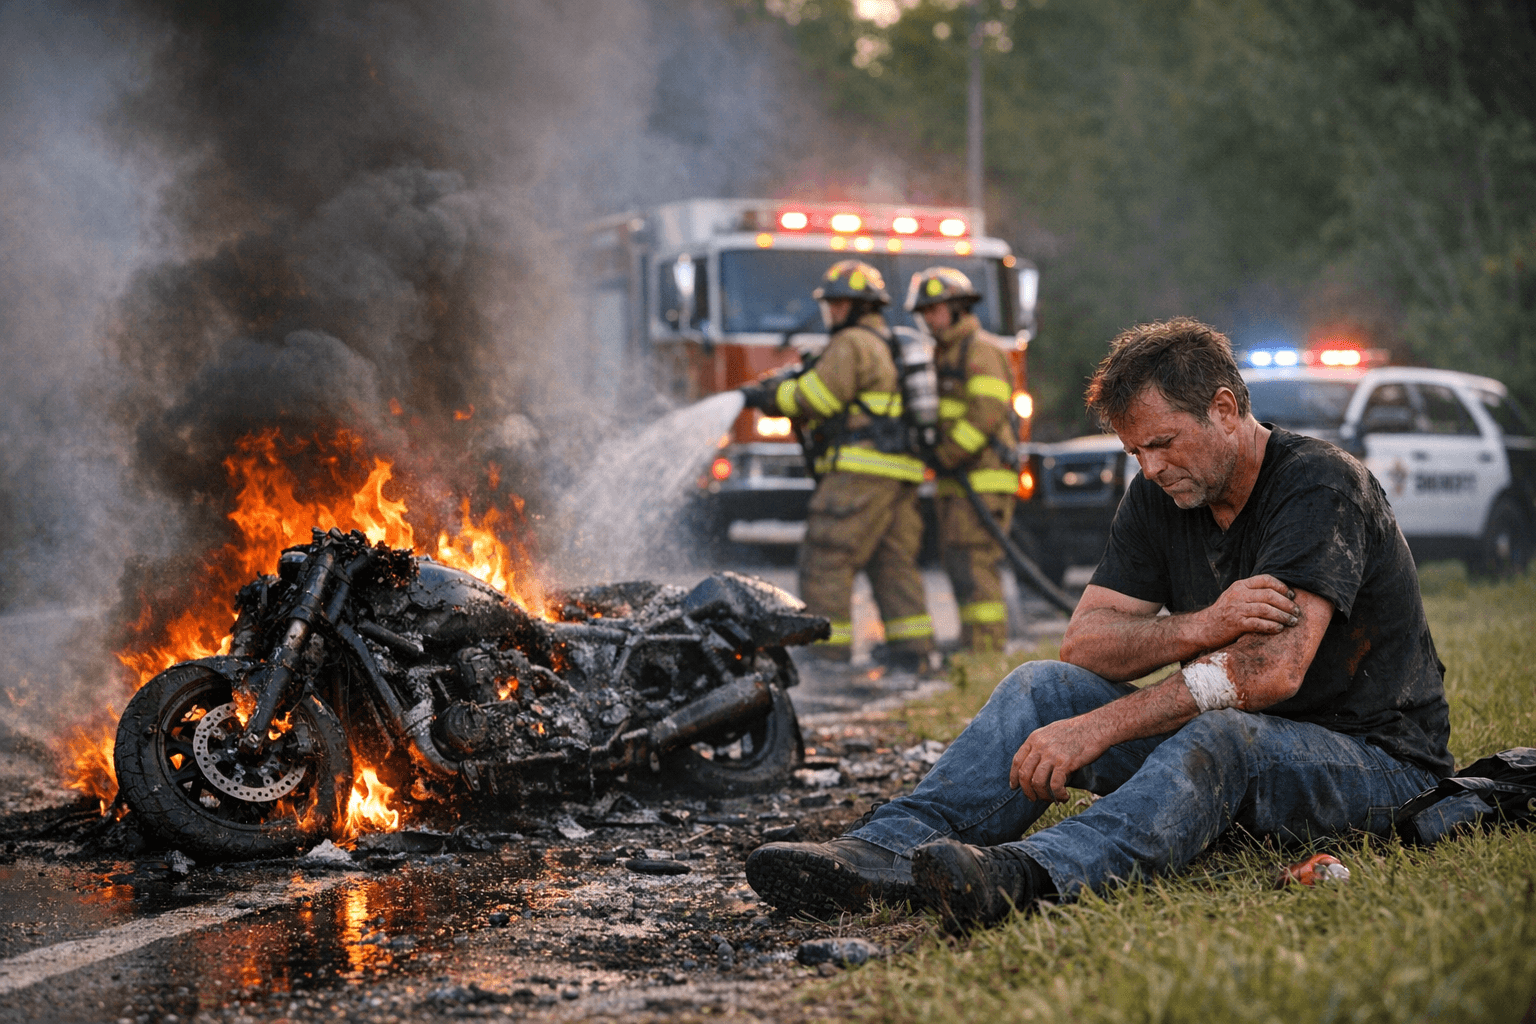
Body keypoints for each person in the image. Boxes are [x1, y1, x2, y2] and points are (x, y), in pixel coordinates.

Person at [745, 317, 1452, 928]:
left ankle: (1026, 875)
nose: (1148, 468)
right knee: (1041, 686)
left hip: (1373, 761)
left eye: (1163, 442)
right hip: (1240, 733)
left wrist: (1100, 727)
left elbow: (1268, 673)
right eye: (1134, 451)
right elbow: (1086, 643)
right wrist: (1204, 623)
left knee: (1224, 734)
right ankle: (883, 853)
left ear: (1226, 409)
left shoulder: (1320, 484)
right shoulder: (1160, 494)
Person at [740, 260, 934, 671]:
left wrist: (771, 396)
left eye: (838, 304)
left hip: (860, 473)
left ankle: (827, 655)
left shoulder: (852, 343)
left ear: (858, 306)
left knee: (827, 558)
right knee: (892, 563)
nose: (832, 313)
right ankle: (912, 654)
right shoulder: (889, 344)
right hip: (900, 474)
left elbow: (818, 398)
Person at [906, 266, 1019, 652]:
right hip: (957, 481)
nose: (927, 319)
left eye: (934, 310)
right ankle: (972, 645)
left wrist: (946, 453)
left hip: (983, 479)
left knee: (977, 567)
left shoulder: (981, 350)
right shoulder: (943, 353)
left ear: (957, 309)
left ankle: (986, 653)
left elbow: (985, 413)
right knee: (957, 565)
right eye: (924, 312)